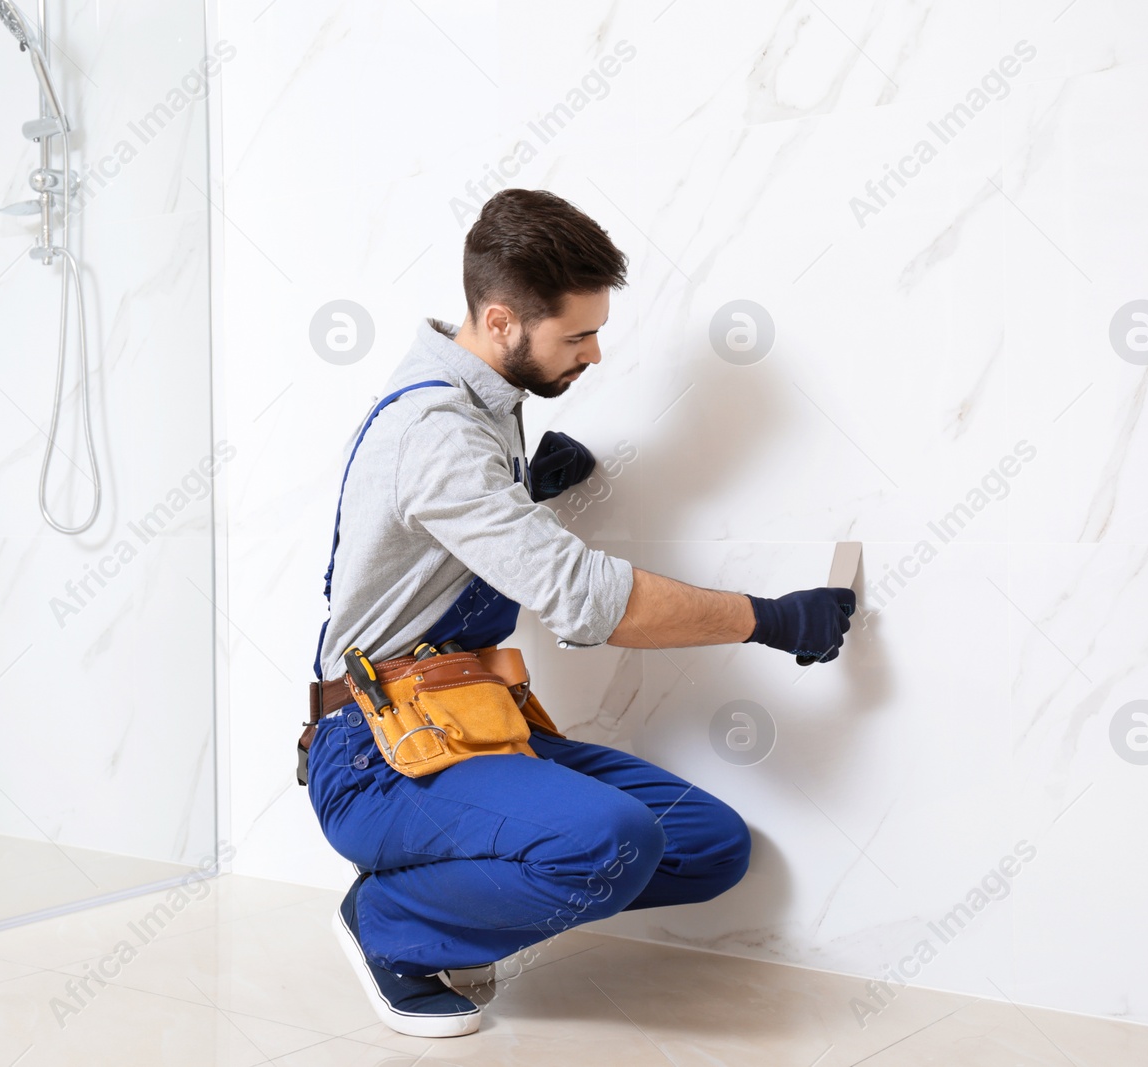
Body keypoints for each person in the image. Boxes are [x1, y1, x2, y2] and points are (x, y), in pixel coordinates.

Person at [306, 188, 856, 1038]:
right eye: (578, 335)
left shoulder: (481, 402)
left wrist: (526, 488)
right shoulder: (438, 433)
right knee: (614, 841)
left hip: (469, 721)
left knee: (708, 844)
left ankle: (439, 903)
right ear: (500, 322)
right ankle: (392, 924)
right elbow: (586, 596)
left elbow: (442, 530)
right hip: (378, 751)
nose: (595, 353)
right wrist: (769, 618)